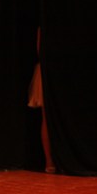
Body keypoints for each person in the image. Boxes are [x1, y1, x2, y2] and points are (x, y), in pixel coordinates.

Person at [28, 26, 56, 173]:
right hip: (45, 71)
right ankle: (49, 160)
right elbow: (41, 51)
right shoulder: (43, 26)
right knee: (46, 117)